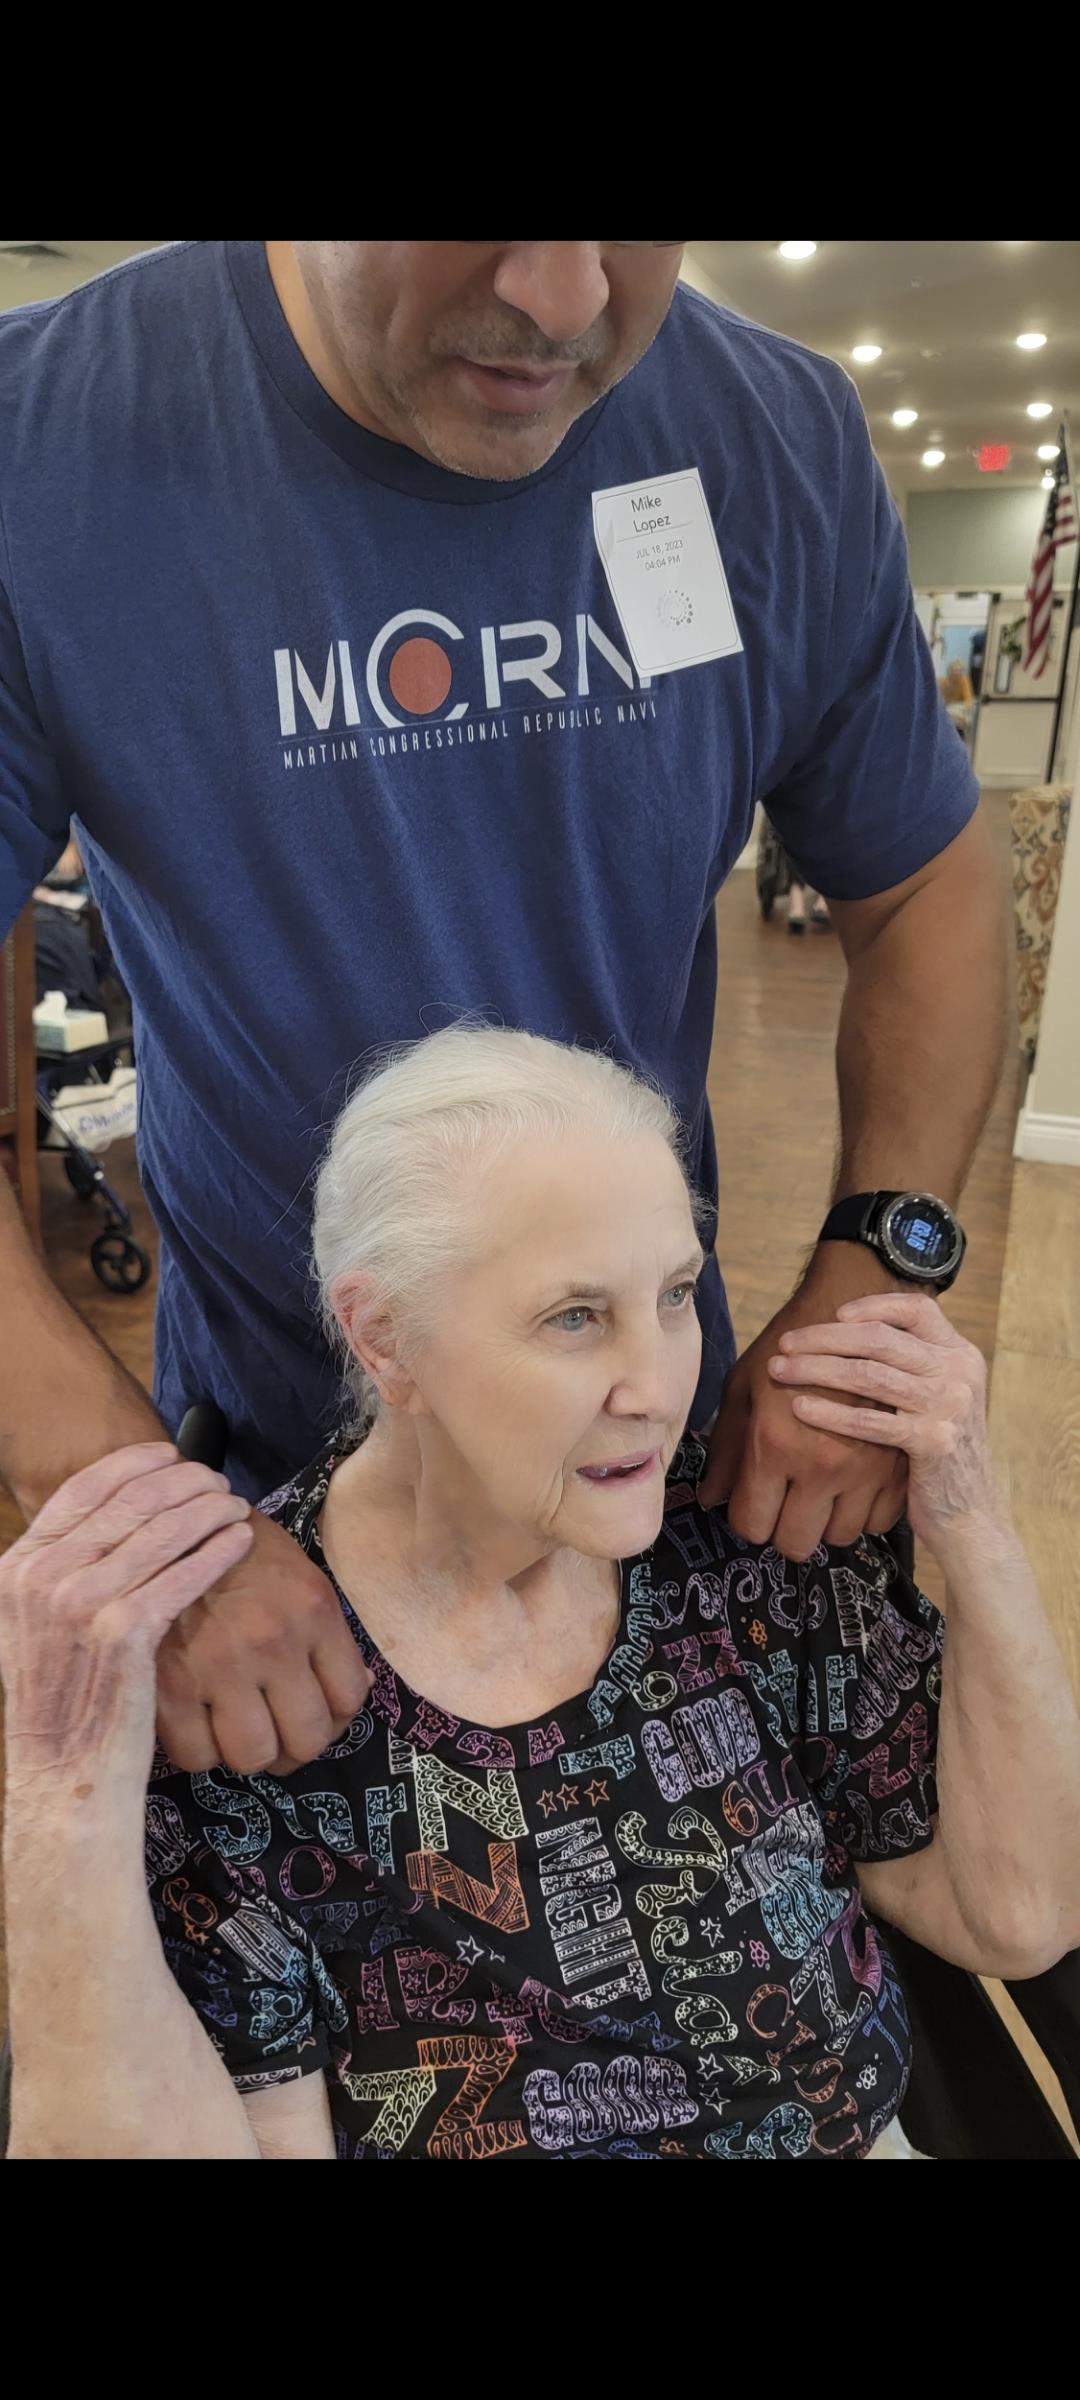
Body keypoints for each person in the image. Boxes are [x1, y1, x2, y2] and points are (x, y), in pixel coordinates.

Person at [0, 243, 1007, 1779]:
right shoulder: (42, 450)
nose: (562, 295)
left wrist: (875, 1283)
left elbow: (927, 887)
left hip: (654, 1459)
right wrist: (123, 1500)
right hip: (272, 1493)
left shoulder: (769, 441)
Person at [3, 1029, 1077, 2162]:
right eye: (574, 1317)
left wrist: (975, 1523)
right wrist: (54, 1801)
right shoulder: (255, 1699)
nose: (659, 1388)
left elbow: (1016, 1914)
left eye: (673, 1295)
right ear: (384, 1338)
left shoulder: (747, 1561)